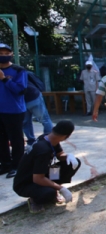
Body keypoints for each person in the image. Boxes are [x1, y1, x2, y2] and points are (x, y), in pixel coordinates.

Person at [12, 120, 78, 213]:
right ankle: (35, 199)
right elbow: (38, 179)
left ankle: (52, 188)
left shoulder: (48, 138)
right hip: (26, 183)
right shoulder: (43, 150)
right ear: (66, 136)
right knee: (48, 193)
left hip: (42, 173)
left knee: (71, 163)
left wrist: (68, 156)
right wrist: (60, 188)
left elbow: (59, 154)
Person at [0, 43, 27, 179]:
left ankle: (17, 165)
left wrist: (4, 79)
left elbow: (20, 90)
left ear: (11, 54)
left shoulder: (18, 70)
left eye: (6, 53)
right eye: (1, 53)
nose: (3, 56)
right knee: (1, 139)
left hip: (14, 110)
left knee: (16, 139)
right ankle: (5, 164)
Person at [23, 80, 53, 149]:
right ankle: (48, 141)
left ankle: (46, 141)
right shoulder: (19, 71)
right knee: (44, 119)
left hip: (30, 97)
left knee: (27, 122)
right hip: (31, 97)